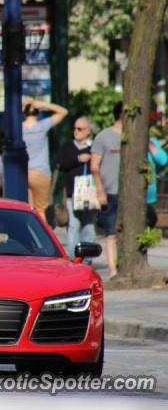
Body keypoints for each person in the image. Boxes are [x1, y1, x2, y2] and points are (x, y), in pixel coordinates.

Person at [91, 102, 123, 279]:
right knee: (111, 232)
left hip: (127, 194)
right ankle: (113, 270)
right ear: (120, 114)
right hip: (110, 191)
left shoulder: (135, 137)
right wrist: (100, 190)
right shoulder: (103, 137)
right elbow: (94, 166)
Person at [22, 98, 69, 217]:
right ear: (37, 111)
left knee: (27, 209)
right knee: (40, 210)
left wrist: (22, 103)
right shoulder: (42, 126)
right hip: (40, 172)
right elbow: (63, 112)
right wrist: (43, 104)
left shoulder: (19, 128)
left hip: (23, 172)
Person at [59, 117, 97, 258]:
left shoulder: (94, 147)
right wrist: (78, 159)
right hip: (71, 193)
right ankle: (73, 259)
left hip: (90, 193)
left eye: (80, 129)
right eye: (75, 128)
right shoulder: (68, 147)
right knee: (74, 226)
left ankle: (87, 259)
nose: (76, 131)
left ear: (89, 131)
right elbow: (60, 164)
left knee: (89, 227)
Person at [146, 137, 168, 228]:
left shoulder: (152, 142)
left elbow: (163, 161)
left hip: (149, 198)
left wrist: (148, 144)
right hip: (130, 195)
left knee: (151, 220)